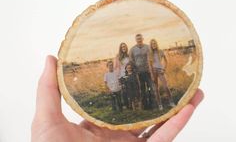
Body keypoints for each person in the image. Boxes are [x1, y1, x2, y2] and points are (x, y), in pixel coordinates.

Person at [31, 55, 204, 142]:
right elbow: (115, 76)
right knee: (121, 100)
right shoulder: (114, 70)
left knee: (134, 96)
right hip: (121, 86)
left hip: (131, 82)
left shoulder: (131, 67)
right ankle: (126, 109)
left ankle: (137, 107)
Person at [129, 34, 156, 109]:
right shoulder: (132, 49)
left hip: (148, 71)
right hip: (139, 73)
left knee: (151, 88)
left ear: (142, 39)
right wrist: (135, 71)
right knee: (142, 89)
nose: (139, 40)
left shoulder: (147, 47)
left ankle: (152, 105)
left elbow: (151, 59)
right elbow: (131, 61)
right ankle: (145, 105)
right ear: (136, 40)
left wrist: (152, 70)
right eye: (138, 39)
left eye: (140, 39)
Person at [148, 39, 175, 111]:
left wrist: (164, 69)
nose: (153, 45)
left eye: (154, 43)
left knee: (166, 87)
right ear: (151, 45)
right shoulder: (150, 53)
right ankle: (160, 105)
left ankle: (171, 102)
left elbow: (166, 61)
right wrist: (151, 75)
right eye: (152, 44)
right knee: (156, 89)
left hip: (160, 70)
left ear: (156, 44)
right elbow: (150, 66)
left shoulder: (160, 51)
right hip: (154, 71)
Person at [115, 42, 130, 108]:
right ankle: (125, 105)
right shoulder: (118, 56)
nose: (123, 48)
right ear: (120, 48)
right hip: (122, 75)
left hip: (128, 74)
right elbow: (116, 67)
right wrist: (118, 77)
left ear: (126, 47)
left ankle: (130, 104)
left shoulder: (128, 55)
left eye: (124, 46)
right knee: (124, 90)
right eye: (122, 47)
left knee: (129, 89)